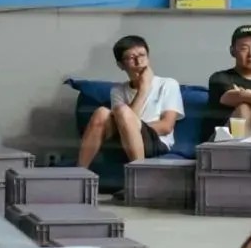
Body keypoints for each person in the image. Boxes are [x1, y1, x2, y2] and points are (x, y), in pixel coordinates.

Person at [78, 35, 184, 170]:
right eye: (131, 58)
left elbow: (166, 126)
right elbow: (123, 123)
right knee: (101, 112)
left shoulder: (168, 84)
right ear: (121, 65)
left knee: (122, 111)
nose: (139, 62)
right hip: (123, 142)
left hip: (155, 141)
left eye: (142, 55)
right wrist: (143, 90)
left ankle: (139, 173)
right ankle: (79, 172)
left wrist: (133, 128)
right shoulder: (118, 91)